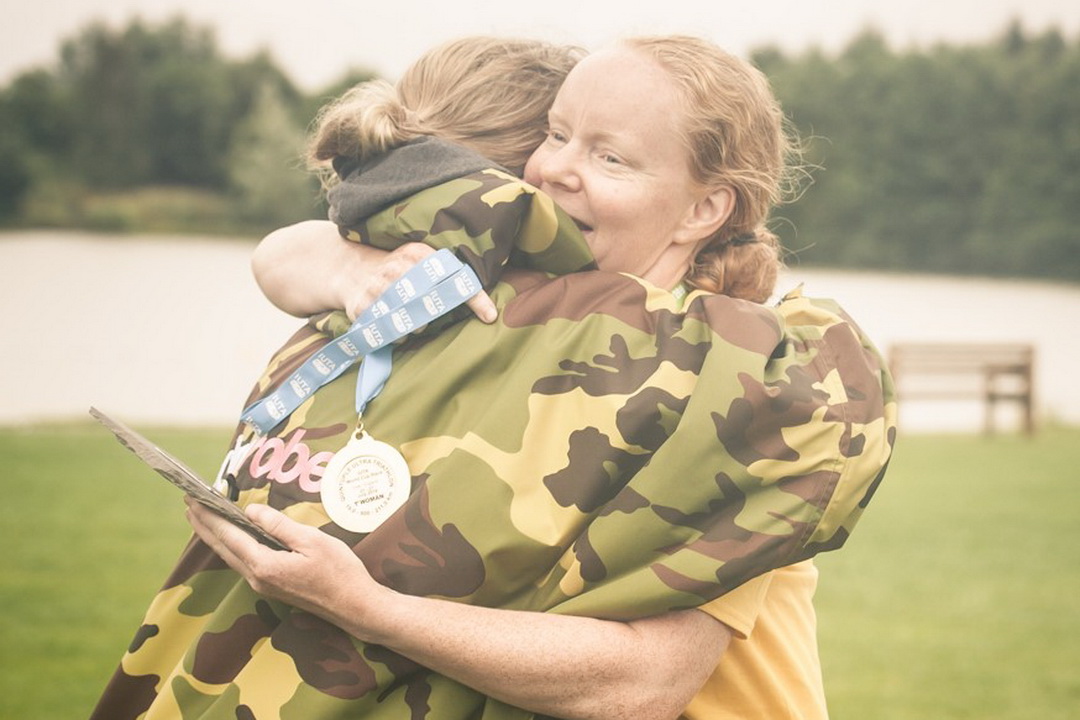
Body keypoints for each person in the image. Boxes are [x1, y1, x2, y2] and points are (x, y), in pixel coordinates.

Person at [92, 35, 897, 720]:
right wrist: (345, 262)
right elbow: (289, 254)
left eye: (610, 157)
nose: (552, 175)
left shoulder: (730, 391)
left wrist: (366, 607)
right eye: (555, 137)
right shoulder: (514, 330)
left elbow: (644, 684)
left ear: (701, 210)